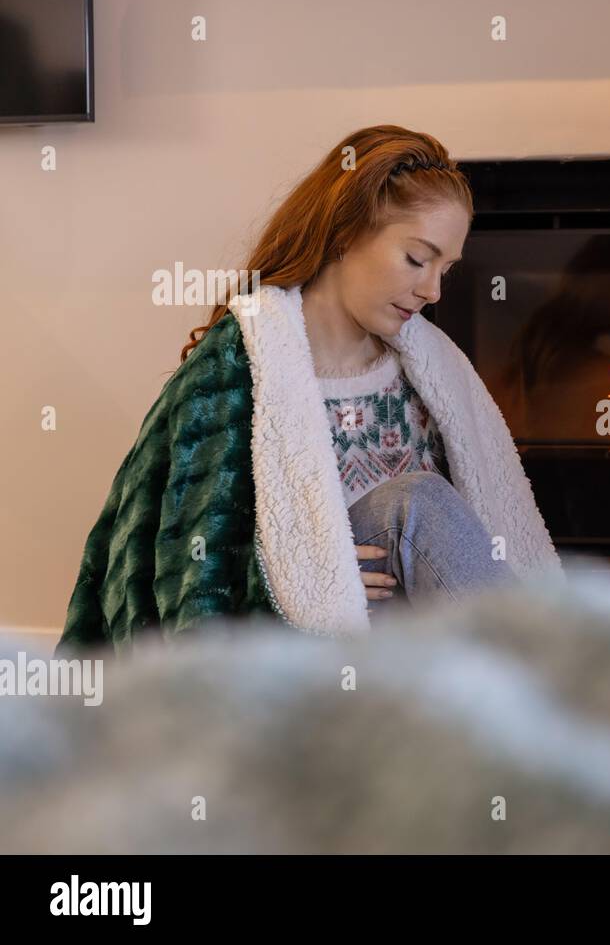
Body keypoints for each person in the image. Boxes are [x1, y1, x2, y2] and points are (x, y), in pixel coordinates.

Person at [58, 124, 562, 652]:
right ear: (345, 232)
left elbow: (472, 540)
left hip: (416, 645)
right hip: (307, 647)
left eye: (445, 269)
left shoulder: (430, 369)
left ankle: (531, 685)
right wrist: (306, 580)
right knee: (418, 502)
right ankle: (555, 680)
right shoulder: (238, 365)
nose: (431, 290)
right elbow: (180, 554)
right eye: (416, 258)